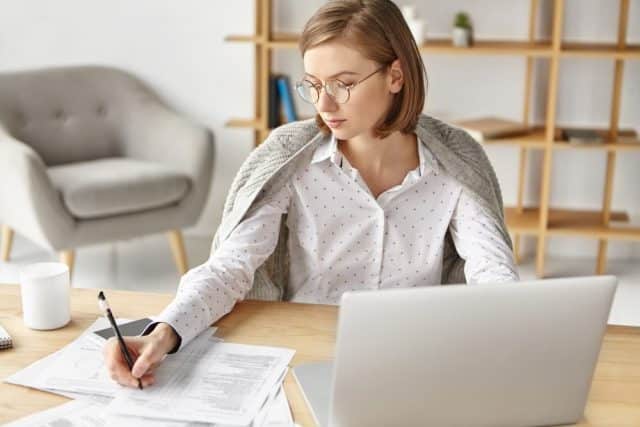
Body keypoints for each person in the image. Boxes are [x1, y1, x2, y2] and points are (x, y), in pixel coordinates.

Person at [104, 0, 519, 389]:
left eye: (343, 84)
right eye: (313, 85)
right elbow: (231, 266)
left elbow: (493, 272)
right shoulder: (291, 161)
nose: (324, 103)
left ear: (396, 76)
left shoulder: (454, 166)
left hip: (417, 357)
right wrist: (165, 332)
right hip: (309, 354)